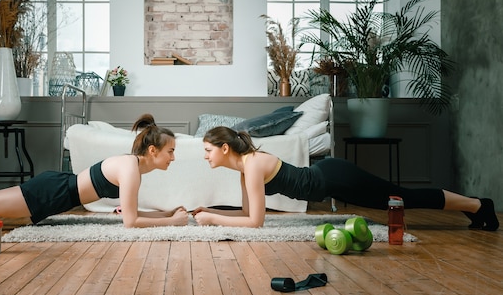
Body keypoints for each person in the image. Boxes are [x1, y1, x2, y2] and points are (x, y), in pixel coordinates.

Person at [0, 114, 190, 231]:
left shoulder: (134, 167)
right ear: (153, 151)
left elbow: (129, 212)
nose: (173, 157)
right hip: (52, 192)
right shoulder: (131, 169)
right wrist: (172, 222)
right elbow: (130, 221)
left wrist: (166, 216)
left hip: (55, 192)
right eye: (170, 151)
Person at [192, 126, 499, 231]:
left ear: (224, 148)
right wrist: (208, 212)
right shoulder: (244, 168)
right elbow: (246, 214)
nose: (205, 156)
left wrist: (215, 220)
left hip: (335, 176)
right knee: (397, 200)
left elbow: (255, 223)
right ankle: (476, 207)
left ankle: (477, 205)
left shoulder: (253, 164)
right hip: (330, 180)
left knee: (402, 198)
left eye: (207, 150)